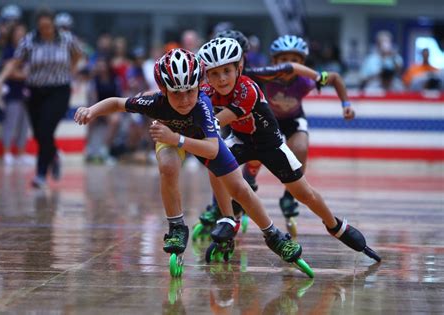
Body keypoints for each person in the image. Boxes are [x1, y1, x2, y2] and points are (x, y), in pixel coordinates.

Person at [74, 48, 311, 276]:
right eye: (176, 93)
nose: (185, 100)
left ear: (199, 86)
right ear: (163, 90)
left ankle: (273, 235)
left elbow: (211, 148)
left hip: (197, 141)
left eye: (191, 91)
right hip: (171, 138)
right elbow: (117, 102)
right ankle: (176, 226)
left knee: (240, 189)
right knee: (168, 167)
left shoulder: (202, 105)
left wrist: (176, 138)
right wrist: (91, 110)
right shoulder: (154, 102)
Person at [197, 38, 380, 262]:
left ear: (239, 67)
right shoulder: (205, 89)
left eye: (227, 71)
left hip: (270, 144)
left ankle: (334, 225)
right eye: (214, 74)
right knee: (213, 159)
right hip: (241, 140)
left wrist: (321, 80)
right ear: (206, 75)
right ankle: (227, 219)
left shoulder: (249, 88)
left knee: (304, 194)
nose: (221, 79)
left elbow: (214, 123)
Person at [242, 34, 355, 232]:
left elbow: (335, 78)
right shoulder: (265, 75)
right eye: (283, 60)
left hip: (293, 120)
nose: (288, 65)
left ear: (302, 62)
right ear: (274, 61)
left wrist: (346, 104)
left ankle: (289, 195)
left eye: (294, 61)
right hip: (268, 119)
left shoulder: (306, 80)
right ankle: (249, 180)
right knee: (257, 155)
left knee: (301, 148)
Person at [0, 8, 83, 188]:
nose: (45, 30)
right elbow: (15, 62)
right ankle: (54, 154)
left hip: (59, 90)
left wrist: (71, 70)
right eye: (41, 27)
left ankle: (41, 174)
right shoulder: (29, 40)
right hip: (35, 91)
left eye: (48, 26)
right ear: (37, 26)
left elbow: (78, 55)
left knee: (45, 129)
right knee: (38, 133)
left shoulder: (66, 39)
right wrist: (0, 79)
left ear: (53, 24)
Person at [0, 23, 31, 166]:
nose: (20, 36)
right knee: (11, 122)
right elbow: (9, 71)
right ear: (12, 35)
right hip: (12, 92)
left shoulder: (28, 51)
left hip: (27, 92)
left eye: (23, 33)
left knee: (24, 124)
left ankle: (20, 153)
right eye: (18, 33)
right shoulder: (8, 50)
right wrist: (24, 75)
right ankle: (6, 152)